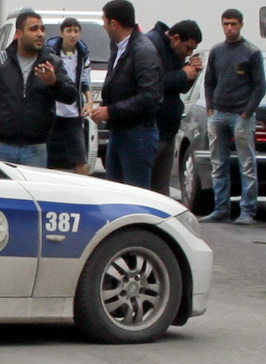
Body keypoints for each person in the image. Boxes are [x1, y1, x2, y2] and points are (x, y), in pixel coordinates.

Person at [0, 10, 77, 167]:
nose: (40, 34)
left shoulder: (52, 63)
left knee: (32, 191)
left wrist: (54, 82)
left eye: (42, 29)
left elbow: (71, 96)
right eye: (34, 29)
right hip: (1, 147)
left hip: (36, 150)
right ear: (19, 33)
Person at [199, 9, 265, 225]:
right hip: (218, 114)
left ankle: (247, 211)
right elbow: (209, 81)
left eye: (234, 24)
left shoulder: (251, 52)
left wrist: (247, 112)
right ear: (222, 24)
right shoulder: (217, 51)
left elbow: (259, 85)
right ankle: (220, 209)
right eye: (226, 24)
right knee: (218, 163)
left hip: (241, 116)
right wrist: (210, 108)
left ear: (241, 25)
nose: (230, 28)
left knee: (247, 164)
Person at [91, 0, 161, 188]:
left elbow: (150, 96)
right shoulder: (118, 47)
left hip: (138, 134)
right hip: (119, 132)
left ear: (114, 23)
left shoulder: (143, 50)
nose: (104, 26)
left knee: (136, 194)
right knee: (115, 191)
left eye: (105, 21)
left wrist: (110, 111)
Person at [145, 20, 203, 195]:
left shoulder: (174, 51)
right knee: (146, 186)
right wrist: (183, 74)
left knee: (161, 189)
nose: (189, 52)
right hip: (152, 126)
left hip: (168, 128)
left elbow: (179, 86)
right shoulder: (151, 45)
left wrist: (191, 73)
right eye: (188, 48)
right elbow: (151, 83)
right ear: (176, 38)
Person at [46, 17, 93, 174]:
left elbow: (85, 81)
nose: (73, 35)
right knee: (47, 159)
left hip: (73, 113)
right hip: (52, 112)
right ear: (62, 33)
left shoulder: (83, 53)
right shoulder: (50, 52)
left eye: (76, 31)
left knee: (80, 157)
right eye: (69, 31)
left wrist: (89, 102)